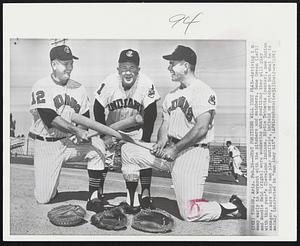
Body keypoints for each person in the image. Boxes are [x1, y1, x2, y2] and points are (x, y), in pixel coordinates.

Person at [120, 45, 247, 221]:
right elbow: (165, 125)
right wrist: (160, 143)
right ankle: (132, 202)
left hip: (192, 154)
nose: (169, 67)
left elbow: (201, 128)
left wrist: (175, 149)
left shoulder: (203, 90)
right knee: (128, 150)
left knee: (189, 213)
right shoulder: (171, 95)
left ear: (185, 66)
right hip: (169, 151)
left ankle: (232, 206)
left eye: (172, 63)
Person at [29, 44, 106, 204]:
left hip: (69, 143)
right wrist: (77, 131)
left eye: (71, 63)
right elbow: (50, 118)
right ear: (54, 64)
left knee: (98, 148)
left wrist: (82, 133)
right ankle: (51, 184)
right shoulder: (41, 85)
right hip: (46, 145)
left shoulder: (79, 88)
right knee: (44, 198)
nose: (70, 68)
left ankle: (94, 197)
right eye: (66, 64)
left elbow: (84, 117)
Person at [88, 48, 160, 213]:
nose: (128, 72)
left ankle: (145, 194)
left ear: (138, 70)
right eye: (124, 67)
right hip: (112, 128)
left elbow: (151, 112)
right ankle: (97, 192)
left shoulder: (146, 83)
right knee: (103, 155)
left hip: (136, 129)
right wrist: (104, 134)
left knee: (141, 157)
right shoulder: (109, 82)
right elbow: (98, 108)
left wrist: (146, 139)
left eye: (132, 68)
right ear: (118, 69)